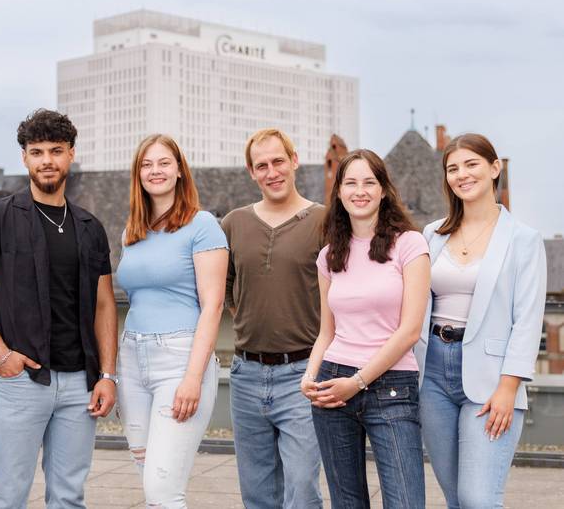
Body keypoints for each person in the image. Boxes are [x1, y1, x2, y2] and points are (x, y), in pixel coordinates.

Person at [0, 109, 117, 509]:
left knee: (68, 496)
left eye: (56, 151)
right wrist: (1, 355)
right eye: (37, 151)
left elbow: (104, 305)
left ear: (71, 155)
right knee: (8, 496)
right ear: (24, 158)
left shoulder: (89, 227)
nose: (47, 160)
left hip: (79, 382)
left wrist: (108, 375)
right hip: (20, 381)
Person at [415, 133, 546, 508]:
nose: (461, 175)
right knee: (455, 496)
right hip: (433, 374)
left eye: (471, 164)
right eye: (452, 168)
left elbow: (528, 319)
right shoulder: (432, 235)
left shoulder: (523, 240)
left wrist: (509, 387)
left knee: (478, 498)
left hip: (491, 380)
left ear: (494, 168)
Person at [301, 149, 430, 509]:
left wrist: (357, 382)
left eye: (369, 182)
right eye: (351, 183)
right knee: (347, 503)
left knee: (405, 502)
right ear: (339, 192)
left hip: (392, 388)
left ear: (384, 190)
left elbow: (410, 330)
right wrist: (309, 376)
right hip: (332, 386)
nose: (360, 191)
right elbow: (327, 332)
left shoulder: (410, 244)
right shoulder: (329, 256)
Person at [115, 134, 228, 508]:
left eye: (164, 162)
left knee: (164, 489)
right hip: (131, 358)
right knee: (147, 479)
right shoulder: (132, 231)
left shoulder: (202, 225)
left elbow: (213, 306)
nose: (155, 171)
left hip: (180, 360)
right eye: (146, 164)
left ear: (179, 170)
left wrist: (192, 378)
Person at [222, 128, 326, 508]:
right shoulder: (234, 223)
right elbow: (228, 289)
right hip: (246, 375)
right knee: (258, 493)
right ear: (252, 172)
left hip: (303, 374)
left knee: (301, 489)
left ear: (294, 161)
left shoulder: (324, 221)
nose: (272, 172)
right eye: (261, 165)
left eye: (278, 161)